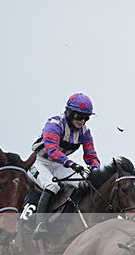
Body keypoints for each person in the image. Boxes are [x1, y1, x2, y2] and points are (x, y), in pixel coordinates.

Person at [31, 93, 101, 237]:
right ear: (68, 112)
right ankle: (40, 224)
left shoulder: (85, 132)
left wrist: (96, 170)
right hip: (39, 161)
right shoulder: (55, 124)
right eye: (78, 116)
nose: (82, 121)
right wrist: (70, 163)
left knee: (83, 184)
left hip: (58, 164)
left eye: (86, 117)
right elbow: (52, 151)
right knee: (52, 186)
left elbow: (91, 155)